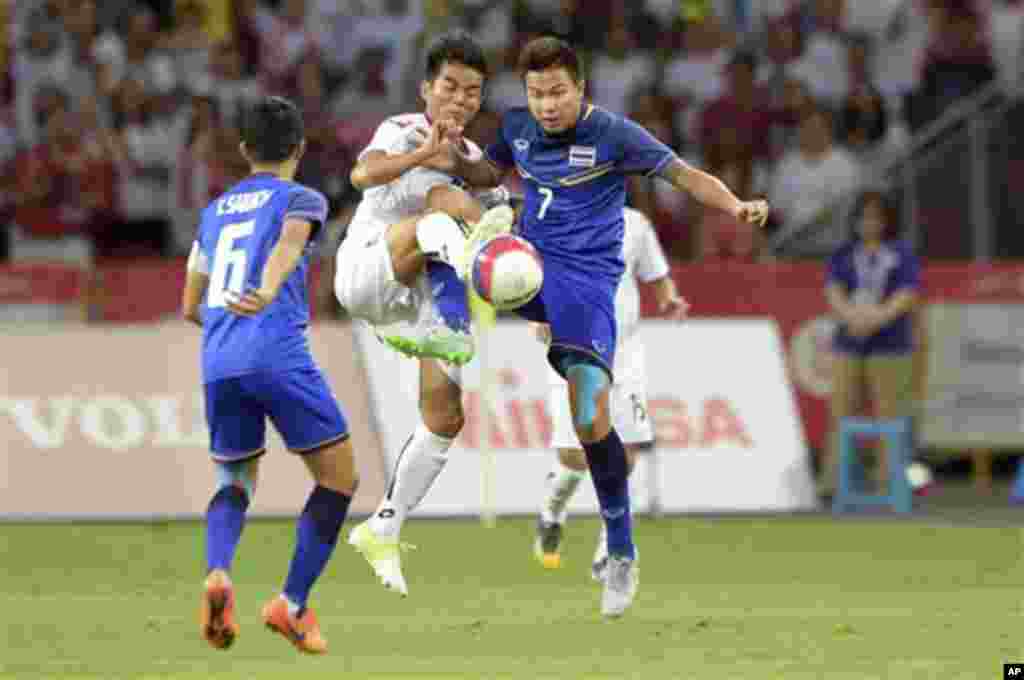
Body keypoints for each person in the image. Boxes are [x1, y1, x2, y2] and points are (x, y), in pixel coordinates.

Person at [433, 36, 769, 618]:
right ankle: (447, 327)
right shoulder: (516, 127)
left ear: (580, 89)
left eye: (557, 92)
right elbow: (486, 171)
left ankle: (621, 551)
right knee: (466, 241)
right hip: (531, 269)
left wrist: (735, 206)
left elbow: (684, 175)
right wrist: (455, 160)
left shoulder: (615, 134)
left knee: (590, 416)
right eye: (536, 94)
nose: (546, 105)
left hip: (588, 290)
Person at [335, 32, 511, 598]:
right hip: (366, 269)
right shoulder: (403, 129)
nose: (460, 100)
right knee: (441, 214)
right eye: (450, 87)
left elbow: (487, 177)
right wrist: (425, 156)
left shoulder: (468, 153)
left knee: (445, 415)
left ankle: (385, 524)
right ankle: (472, 285)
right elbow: (361, 176)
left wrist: (493, 187)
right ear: (426, 89)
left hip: (407, 301)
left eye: (472, 92)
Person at [182, 96, 354, 654]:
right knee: (337, 479)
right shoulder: (301, 197)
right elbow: (290, 243)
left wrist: (228, 313)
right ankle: (292, 603)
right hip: (276, 351)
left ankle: (218, 571)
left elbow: (190, 305)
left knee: (233, 483)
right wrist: (273, 285)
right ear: (299, 149)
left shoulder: (212, 214)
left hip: (218, 359)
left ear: (243, 150)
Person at [534, 206, 687, 578]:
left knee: (626, 455)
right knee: (574, 456)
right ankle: (552, 511)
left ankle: (608, 551)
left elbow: (657, 274)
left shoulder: (636, 223)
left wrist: (669, 298)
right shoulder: (557, 217)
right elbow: (536, 274)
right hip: (574, 346)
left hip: (626, 352)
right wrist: (540, 314)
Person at [822, 189, 925, 499]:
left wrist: (877, 319)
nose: (870, 223)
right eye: (864, 217)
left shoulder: (901, 253)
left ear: (887, 220)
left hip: (890, 342)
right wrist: (852, 317)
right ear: (855, 221)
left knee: (891, 414)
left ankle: (889, 481)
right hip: (849, 341)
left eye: (876, 217)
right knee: (841, 411)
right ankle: (834, 482)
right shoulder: (844, 253)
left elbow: (907, 293)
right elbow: (833, 290)